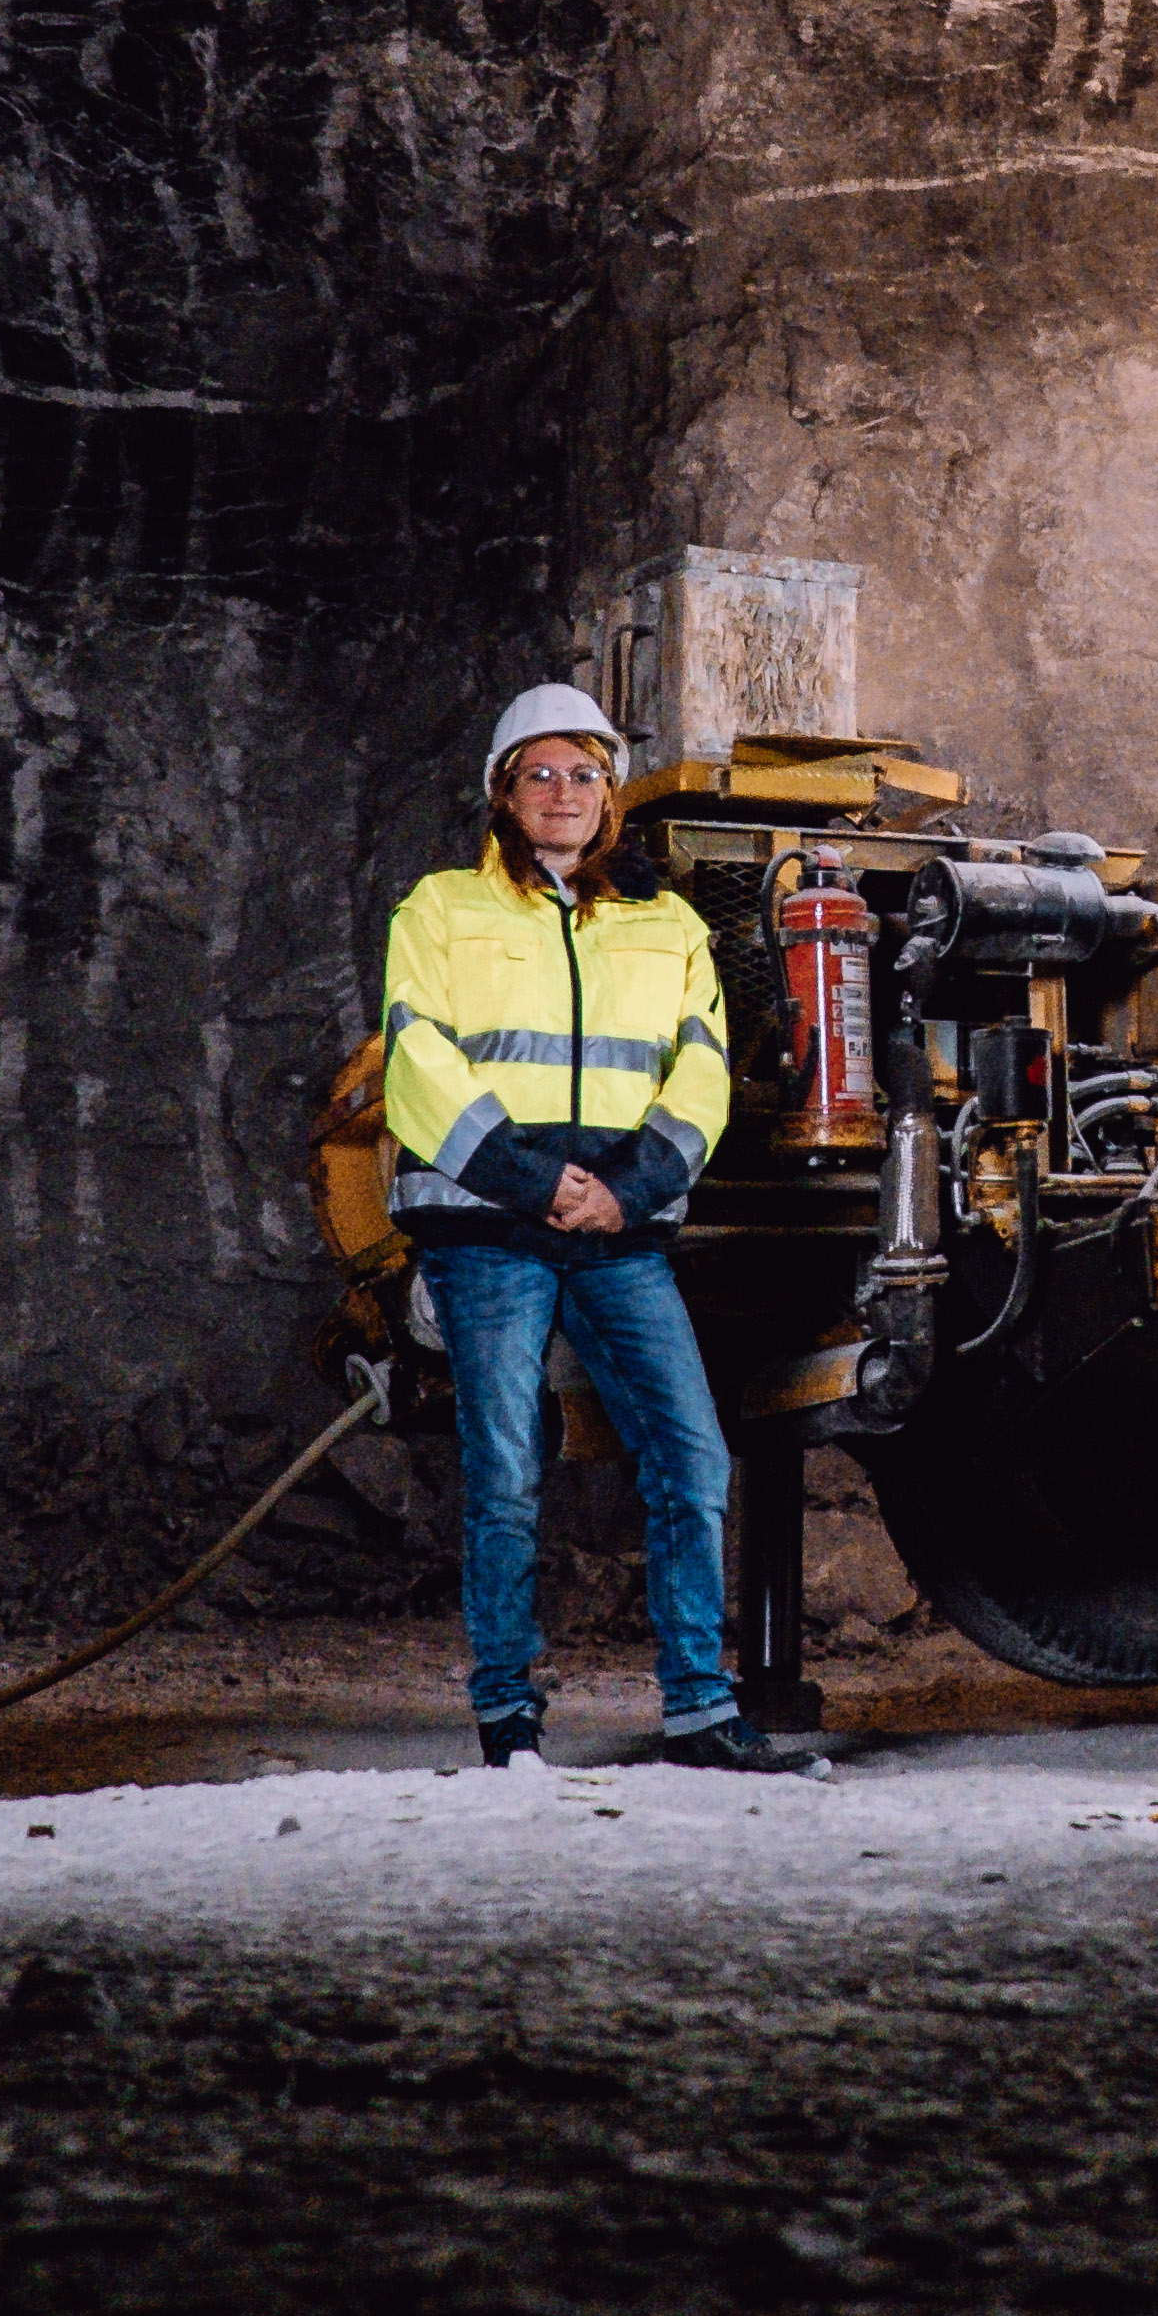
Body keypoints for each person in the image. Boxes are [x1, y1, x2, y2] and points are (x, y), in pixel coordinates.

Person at [375, 688, 827, 1776]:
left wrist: (626, 1188)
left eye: (584, 774)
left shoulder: (665, 925)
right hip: (489, 1227)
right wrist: (537, 1182)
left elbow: (702, 1068)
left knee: (690, 1451)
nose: (563, 793)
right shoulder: (439, 909)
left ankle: (699, 1710)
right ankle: (509, 1719)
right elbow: (417, 1063)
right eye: (540, 773)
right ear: (503, 791)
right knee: (508, 1465)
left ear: (610, 795)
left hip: (618, 1227)